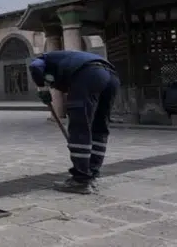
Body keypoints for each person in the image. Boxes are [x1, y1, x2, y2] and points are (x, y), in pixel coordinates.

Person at [29, 50, 120, 195]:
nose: (53, 87)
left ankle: (80, 180)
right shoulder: (68, 58)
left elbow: (35, 67)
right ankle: (92, 173)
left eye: (51, 83)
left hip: (88, 75)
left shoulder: (43, 59)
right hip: (111, 76)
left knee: (79, 127)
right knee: (99, 127)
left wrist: (42, 88)